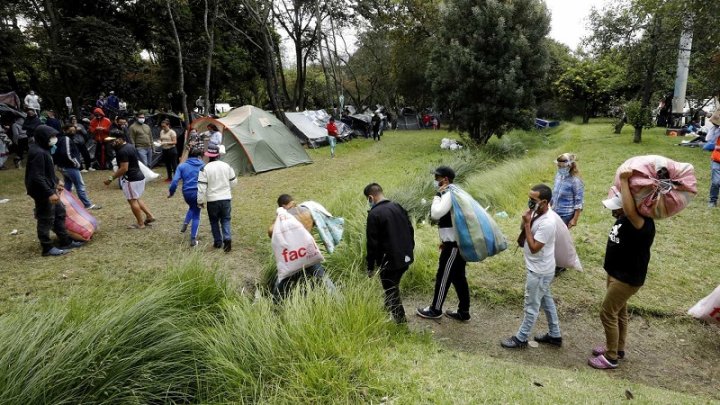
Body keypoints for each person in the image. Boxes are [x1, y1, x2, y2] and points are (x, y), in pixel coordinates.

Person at [589, 169, 656, 369]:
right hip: (616, 273)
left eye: (617, 208)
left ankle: (611, 357)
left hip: (626, 278)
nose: (613, 211)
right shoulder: (625, 219)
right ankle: (617, 348)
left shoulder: (641, 224)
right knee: (619, 312)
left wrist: (625, 180)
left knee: (607, 313)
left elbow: (628, 209)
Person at [501, 184, 561, 349]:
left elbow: (534, 248)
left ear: (544, 201)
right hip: (541, 269)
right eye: (529, 198)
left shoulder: (548, 222)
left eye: (533, 200)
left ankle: (521, 338)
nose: (530, 202)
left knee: (531, 305)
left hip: (539, 271)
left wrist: (527, 224)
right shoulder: (537, 212)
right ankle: (555, 335)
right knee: (547, 302)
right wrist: (525, 221)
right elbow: (524, 235)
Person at [417, 166, 471, 321]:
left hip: (453, 246)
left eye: (437, 178)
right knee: (458, 277)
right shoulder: (453, 192)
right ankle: (464, 312)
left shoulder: (448, 193)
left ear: (445, 179)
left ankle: (435, 309)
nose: (435, 181)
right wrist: (444, 241)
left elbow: (436, 214)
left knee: (443, 276)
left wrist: (436, 196)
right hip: (453, 243)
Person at [25, 125, 84, 256]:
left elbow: (46, 171)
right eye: (51, 136)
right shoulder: (38, 153)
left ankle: (65, 240)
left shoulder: (44, 149)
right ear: (43, 137)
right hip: (42, 192)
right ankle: (47, 248)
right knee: (46, 218)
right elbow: (37, 176)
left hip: (48, 187)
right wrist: (49, 193)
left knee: (60, 212)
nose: (54, 139)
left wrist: (57, 181)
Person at [268, 194, 336, 299]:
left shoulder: (283, 218)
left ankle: (275, 304)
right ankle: (338, 298)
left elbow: (271, 232)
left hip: (292, 256)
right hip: (308, 252)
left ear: (282, 206)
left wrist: (279, 218)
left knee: (282, 280)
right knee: (322, 277)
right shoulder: (307, 212)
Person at [364, 183, 415, 323]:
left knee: (390, 288)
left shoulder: (374, 214)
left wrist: (370, 266)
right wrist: (410, 248)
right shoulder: (397, 206)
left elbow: (372, 244)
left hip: (390, 260)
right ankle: (387, 307)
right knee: (393, 284)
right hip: (406, 256)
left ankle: (400, 322)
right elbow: (410, 228)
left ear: (370, 197)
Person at [104, 137, 156, 229]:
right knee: (136, 198)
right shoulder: (130, 146)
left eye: (113, 141)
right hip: (139, 176)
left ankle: (140, 224)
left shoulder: (122, 151)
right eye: (109, 142)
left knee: (132, 200)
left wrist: (110, 179)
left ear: (119, 139)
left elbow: (124, 168)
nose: (112, 143)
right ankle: (150, 215)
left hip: (131, 179)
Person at [197, 144, 237, 252]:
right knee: (226, 219)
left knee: (214, 221)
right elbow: (233, 182)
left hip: (212, 200)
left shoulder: (204, 168)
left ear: (208, 155)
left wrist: (200, 201)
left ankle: (218, 242)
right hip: (225, 198)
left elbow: (201, 188)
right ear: (218, 154)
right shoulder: (227, 166)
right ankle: (227, 239)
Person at [550, 152, 584, 276]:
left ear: (570, 166)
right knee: (551, 237)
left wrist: (574, 219)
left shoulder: (576, 181)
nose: (560, 169)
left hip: (566, 214)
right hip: (554, 211)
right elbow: (554, 194)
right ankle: (554, 261)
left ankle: (560, 266)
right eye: (558, 166)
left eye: (562, 167)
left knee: (559, 240)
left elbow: (579, 203)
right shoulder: (558, 177)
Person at [55, 123, 101, 210]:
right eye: (71, 130)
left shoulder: (61, 139)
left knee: (68, 185)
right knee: (80, 186)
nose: (73, 131)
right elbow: (67, 153)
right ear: (65, 130)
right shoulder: (66, 139)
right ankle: (88, 204)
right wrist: (76, 163)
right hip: (69, 166)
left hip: (64, 166)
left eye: (74, 130)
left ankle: (62, 202)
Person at [168, 147, 205, 247]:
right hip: (199, 192)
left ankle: (185, 224)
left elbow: (175, 181)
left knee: (192, 207)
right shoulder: (203, 165)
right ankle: (193, 239)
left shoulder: (182, 166)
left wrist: (171, 192)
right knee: (196, 214)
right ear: (198, 157)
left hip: (187, 193)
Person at [705, 111, 720, 208]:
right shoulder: (717, 130)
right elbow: (708, 139)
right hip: (717, 159)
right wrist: (716, 127)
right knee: (716, 182)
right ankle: (712, 200)